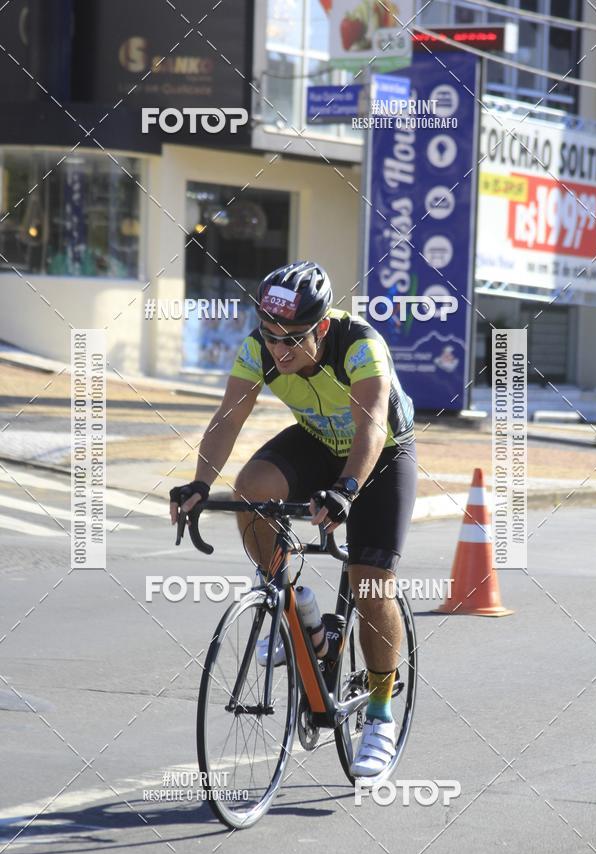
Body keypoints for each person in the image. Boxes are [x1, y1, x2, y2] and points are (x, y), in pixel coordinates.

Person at [169, 260, 417, 778]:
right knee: (252, 490)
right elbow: (228, 419)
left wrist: (348, 490)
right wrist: (198, 482)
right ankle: (296, 606)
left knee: (371, 583)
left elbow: (371, 425)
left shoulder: (360, 345)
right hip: (320, 443)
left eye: (294, 339)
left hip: (382, 452)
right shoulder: (259, 348)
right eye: (271, 336)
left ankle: (379, 713)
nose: (280, 350)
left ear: (321, 327)